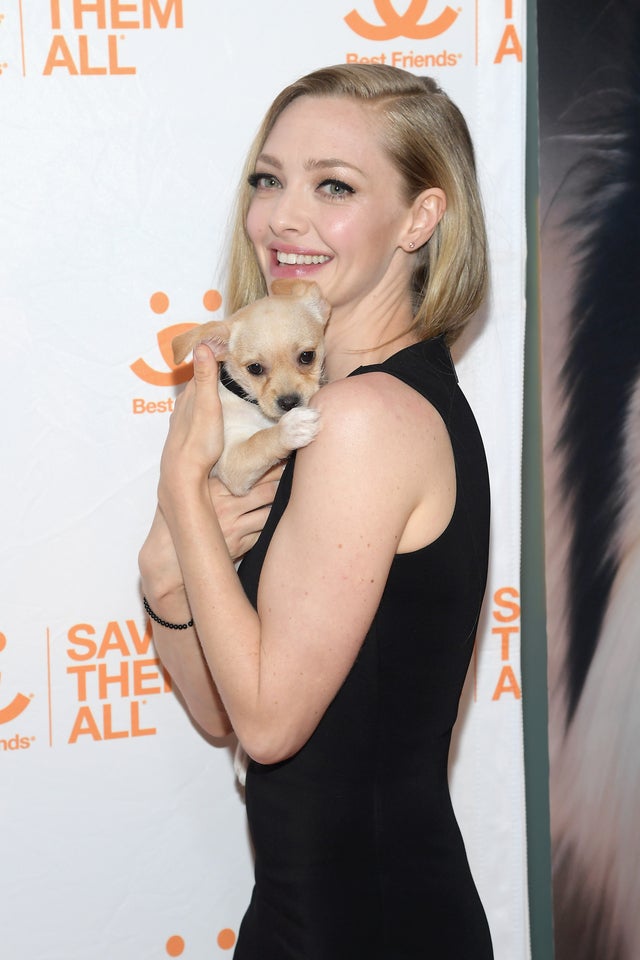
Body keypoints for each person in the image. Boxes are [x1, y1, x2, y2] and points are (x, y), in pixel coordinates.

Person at [139, 63, 493, 959]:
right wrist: (164, 577)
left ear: (421, 217)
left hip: (369, 924)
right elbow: (218, 709)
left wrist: (184, 490)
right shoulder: (307, 410)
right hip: (309, 914)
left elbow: (265, 723)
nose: (282, 217)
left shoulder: (366, 421)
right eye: (269, 179)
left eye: (333, 185)